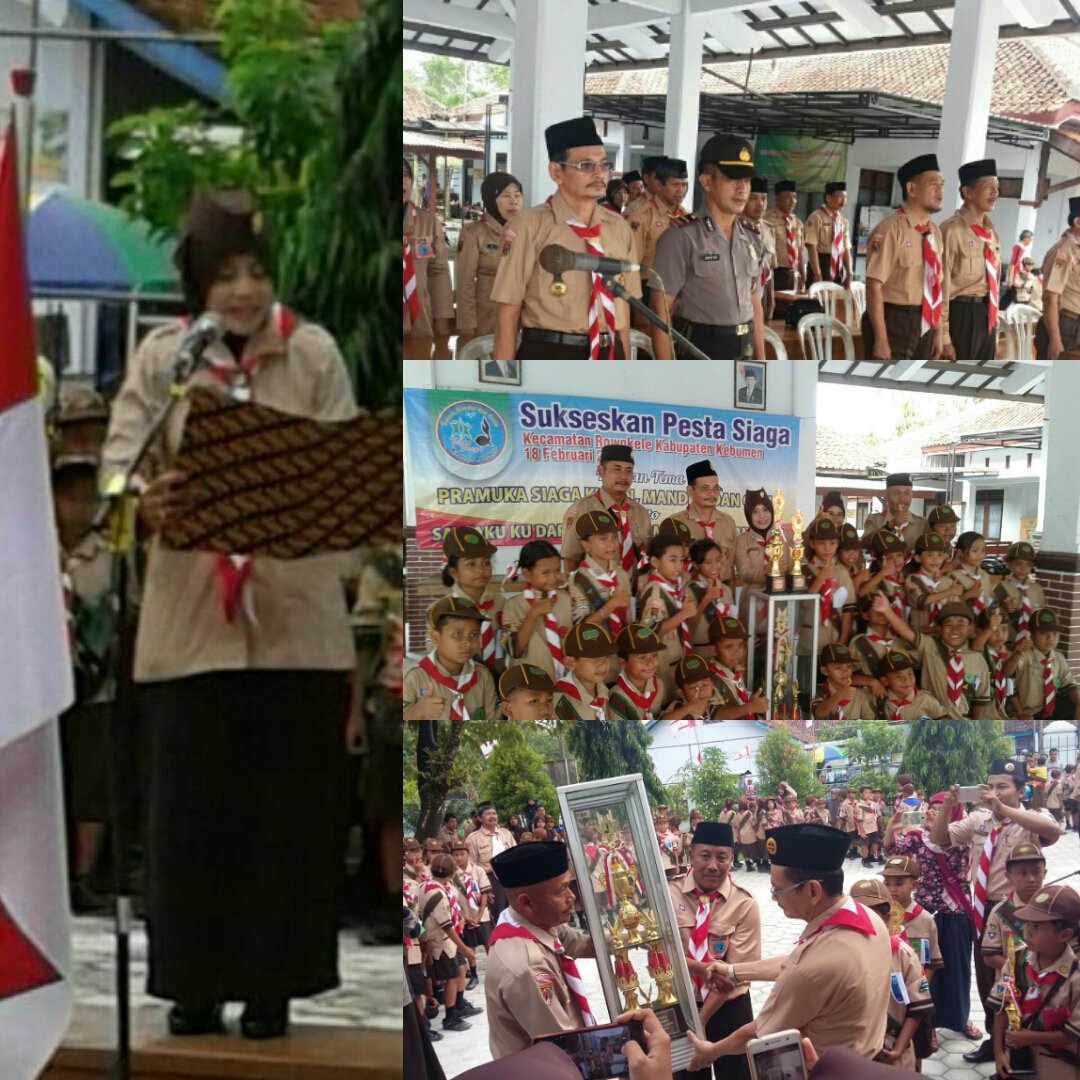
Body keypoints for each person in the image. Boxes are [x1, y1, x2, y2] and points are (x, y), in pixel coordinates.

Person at [102, 189, 357, 1039]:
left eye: (254, 273)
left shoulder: (312, 353)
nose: (243, 291)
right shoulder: (165, 357)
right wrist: (148, 499)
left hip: (295, 630)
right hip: (190, 633)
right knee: (192, 818)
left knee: (283, 819)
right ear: (197, 287)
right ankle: (194, 985)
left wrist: (299, 499)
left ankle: (271, 987)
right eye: (224, 276)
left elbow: (349, 482)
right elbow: (115, 468)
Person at [685, 823, 891, 1067]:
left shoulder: (812, 969)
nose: (773, 897)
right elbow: (795, 960)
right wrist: (732, 971)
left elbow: (760, 1033)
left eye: (778, 889)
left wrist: (712, 1051)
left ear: (813, 890)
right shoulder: (867, 917)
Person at [930, 759, 1061, 1065]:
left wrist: (1005, 811)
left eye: (1003, 786)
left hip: (1022, 912)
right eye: (992, 785)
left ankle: (1024, 1047)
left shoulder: (1032, 816)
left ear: (1020, 789)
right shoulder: (979, 820)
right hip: (984, 912)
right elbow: (939, 838)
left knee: (1025, 978)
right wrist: (948, 805)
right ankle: (996, 1042)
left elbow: (1052, 830)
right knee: (989, 979)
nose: (996, 792)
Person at [490, 116, 641, 361]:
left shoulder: (618, 228)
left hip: (608, 351)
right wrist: (504, 383)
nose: (599, 174)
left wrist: (623, 372)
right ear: (556, 172)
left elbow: (622, 307)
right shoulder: (529, 226)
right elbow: (508, 311)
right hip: (551, 353)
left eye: (604, 165)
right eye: (586, 166)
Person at [52, 449, 113, 913]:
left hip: (96, 682)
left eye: (85, 496)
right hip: (46, 681)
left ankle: (82, 874)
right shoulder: (32, 548)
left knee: (91, 780)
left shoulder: (107, 554)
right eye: (67, 496)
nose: (78, 506)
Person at [650, 134, 765, 361]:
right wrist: (667, 376)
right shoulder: (681, 237)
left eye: (747, 180)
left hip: (744, 348)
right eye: (733, 179)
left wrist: (761, 364)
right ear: (706, 182)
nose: (743, 189)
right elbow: (660, 312)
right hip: (699, 350)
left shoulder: (752, 238)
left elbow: (755, 305)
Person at [484, 841, 598, 1058]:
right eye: (561, 889)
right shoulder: (529, 967)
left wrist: (634, 935)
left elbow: (581, 944)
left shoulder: (533, 923)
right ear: (526, 902)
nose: (572, 897)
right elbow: (564, 1045)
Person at [671, 821, 761, 1080]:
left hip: (730, 1009)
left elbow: (737, 973)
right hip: (682, 1008)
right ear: (691, 853)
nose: (713, 865)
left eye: (722, 857)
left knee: (736, 1074)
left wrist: (702, 1017)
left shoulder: (744, 903)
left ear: (732, 858)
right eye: (705, 855)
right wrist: (698, 970)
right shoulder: (668, 893)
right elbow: (662, 954)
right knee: (687, 1075)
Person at [885, 791, 979, 1039]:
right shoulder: (920, 837)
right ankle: (928, 1024)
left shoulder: (961, 837)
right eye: (934, 807)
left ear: (955, 812)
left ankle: (961, 1018)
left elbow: (947, 845)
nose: (937, 812)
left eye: (944, 808)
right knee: (924, 969)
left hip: (956, 911)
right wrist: (893, 826)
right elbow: (892, 849)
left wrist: (936, 828)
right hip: (925, 912)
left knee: (957, 969)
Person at [988, 884, 1080, 1080]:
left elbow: (1073, 1033)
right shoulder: (1016, 961)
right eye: (1027, 924)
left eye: (1037, 926)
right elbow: (1001, 1008)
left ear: (1065, 935)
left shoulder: (1075, 975)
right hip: (1019, 1063)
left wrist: (1030, 1037)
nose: (1027, 932)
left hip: (1060, 1067)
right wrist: (998, 1053)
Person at [862, 154, 945, 361]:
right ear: (912, 189)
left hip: (925, 320)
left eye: (942, 184)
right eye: (933, 184)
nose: (940, 190)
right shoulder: (891, 229)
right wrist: (881, 339)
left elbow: (936, 287)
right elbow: (873, 286)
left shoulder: (934, 233)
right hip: (894, 320)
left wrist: (938, 331)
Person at [847, 878, 935, 1070]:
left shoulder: (903, 954)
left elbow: (917, 1008)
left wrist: (898, 1048)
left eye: (873, 914)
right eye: (858, 913)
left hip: (894, 1050)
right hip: (854, 1051)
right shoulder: (840, 952)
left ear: (887, 918)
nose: (865, 920)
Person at [939, 159, 1001, 362]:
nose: (995, 193)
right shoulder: (951, 231)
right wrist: (944, 336)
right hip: (962, 315)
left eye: (997, 187)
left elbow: (995, 283)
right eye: (989, 187)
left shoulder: (991, 233)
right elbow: (941, 287)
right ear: (968, 193)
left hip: (987, 313)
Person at [455, 171, 523, 348]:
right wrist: (467, 325)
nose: (514, 201)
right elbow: (465, 281)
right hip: (486, 318)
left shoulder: (525, 231)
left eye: (518, 195)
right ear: (490, 199)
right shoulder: (474, 233)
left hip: (520, 317)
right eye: (506, 195)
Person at [403, 597, 499, 722]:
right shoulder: (414, 678)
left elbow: (492, 722)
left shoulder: (484, 676)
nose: (467, 642)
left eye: (474, 634)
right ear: (436, 637)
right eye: (458, 634)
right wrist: (417, 711)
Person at [561, 444, 650, 576]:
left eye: (629, 470)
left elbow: (646, 554)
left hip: (634, 592)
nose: (624, 476)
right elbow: (571, 559)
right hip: (597, 591)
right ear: (601, 470)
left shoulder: (640, 512)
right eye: (617, 469)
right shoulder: (582, 509)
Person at [421, 853, 482, 1033]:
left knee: (461, 968)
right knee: (452, 977)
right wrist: (465, 948)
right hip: (442, 943)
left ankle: (459, 1004)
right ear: (451, 873)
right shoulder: (438, 894)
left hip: (448, 940)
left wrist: (462, 920)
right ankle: (450, 1017)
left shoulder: (429, 885)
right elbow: (446, 926)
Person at [661, 459, 739, 587]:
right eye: (705, 488)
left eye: (716, 488)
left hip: (722, 591)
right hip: (689, 592)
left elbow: (731, 569)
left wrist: (731, 599)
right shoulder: (675, 523)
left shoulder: (727, 522)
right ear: (690, 491)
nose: (712, 494)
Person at [403, 160, 453, 361]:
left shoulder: (428, 222)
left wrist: (442, 320)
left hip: (419, 323)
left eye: (405, 175)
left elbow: (438, 272)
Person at [502, 540, 572, 680]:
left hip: (567, 682)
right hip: (531, 683)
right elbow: (514, 650)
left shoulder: (567, 600)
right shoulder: (513, 606)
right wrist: (533, 614)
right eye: (545, 573)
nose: (553, 577)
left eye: (557, 570)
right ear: (527, 573)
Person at [441, 525, 503, 671]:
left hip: (499, 680)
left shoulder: (500, 603)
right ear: (454, 571)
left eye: (486, 562)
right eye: (471, 564)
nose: (480, 570)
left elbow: (507, 644)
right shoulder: (444, 610)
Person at [1003, 607, 1080, 722]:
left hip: (1051, 709)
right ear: (1032, 635)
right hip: (1029, 712)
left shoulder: (1058, 658)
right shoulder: (1024, 655)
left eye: (1055, 634)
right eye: (1044, 633)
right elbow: (1007, 673)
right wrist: (1018, 653)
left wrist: (1078, 702)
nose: (1050, 638)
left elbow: (1068, 684)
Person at [980, 842, 1046, 974]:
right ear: (1008, 877)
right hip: (1014, 987)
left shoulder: (1055, 908)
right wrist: (1022, 972)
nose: (1031, 879)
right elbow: (989, 955)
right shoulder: (1000, 912)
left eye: (1037, 872)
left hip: (1051, 986)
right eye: (1023, 873)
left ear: (1045, 873)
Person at [1036, 196, 1080, 359]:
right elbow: (1050, 298)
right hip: (1064, 327)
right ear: (1078, 222)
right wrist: (1055, 340)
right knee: (1059, 379)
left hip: (1074, 326)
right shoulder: (1064, 251)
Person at [553, 622, 616, 723]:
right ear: (570, 663)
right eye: (594, 657)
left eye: (606, 656)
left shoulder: (605, 692)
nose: (603, 664)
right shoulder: (559, 701)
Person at [904, 531, 964, 635]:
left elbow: (955, 610)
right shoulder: (912, 579)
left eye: (940, 555)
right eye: (930, 555)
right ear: (918, 558)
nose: (936, 559)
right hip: (919, 635)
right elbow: (920, 601)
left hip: (942, 634)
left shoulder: (948, 582)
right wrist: (950, 592)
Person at [466, 802, 517, 920]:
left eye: (494, 813)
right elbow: (471, 867)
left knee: (518, 911)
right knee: (500, 914)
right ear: (479, 818)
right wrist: (483, 889)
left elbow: (516, 855)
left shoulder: (506, 833)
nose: (492, 816)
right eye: (488, 814)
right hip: (490, 881)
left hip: (511, 878)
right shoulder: (473, 839)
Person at [608, 623, 667, 723]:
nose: (650, 663)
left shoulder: (659, 685)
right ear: (622, 662)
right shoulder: (617, 698)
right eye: (642, 657)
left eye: (654, 655)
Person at [994, 540, 1046, 643]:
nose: (1023, 568)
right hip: (1008, 641)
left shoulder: (1037, 589)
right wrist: (1004, 609)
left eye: (1028, 564)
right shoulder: (1000, 588)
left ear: (1032, 567)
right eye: (1018, 563)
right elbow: (991, 614)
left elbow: (1040, 615)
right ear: (1008, 563)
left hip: (1032, 641)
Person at [812, 643, 877, 724]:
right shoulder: (818, 690)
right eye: (838, 667)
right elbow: (818, 713)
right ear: (824, 671)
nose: (845, 671)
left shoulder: (860, 695)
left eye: (849, 666)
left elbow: (871, 723)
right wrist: (838, 696)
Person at [861, 472, 928, 549]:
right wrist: (890, 525)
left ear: (912, 495)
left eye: (907, 493)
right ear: (886, 495)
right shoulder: (875, 520)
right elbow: (864, 544)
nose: (902, 499)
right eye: (896, 493)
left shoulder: (922, 523)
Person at [741, 176, 776, 319]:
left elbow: (770, 267)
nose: (760, 204)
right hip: (742, 296)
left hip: (761, 293)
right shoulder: (736, 227)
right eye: (754, 198)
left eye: (764, 199)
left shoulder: (768, 229)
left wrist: (771, 299)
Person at [805, 182, 852, 286]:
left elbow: (846, 249)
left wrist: (849, 273)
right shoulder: (816, 217)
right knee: (817, 300)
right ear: (828, 198)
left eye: (846, 198)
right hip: (822, 263)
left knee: (834, 300)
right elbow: (811, 247)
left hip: (837, 265)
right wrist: (817, 273)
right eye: (840, 197)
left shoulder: (843, 221)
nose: (844, 201)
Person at [763, 179, 805, 292]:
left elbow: (799, 251)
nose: (792, 201)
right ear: (777, 199)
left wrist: (803, 274)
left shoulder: (797, 222)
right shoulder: (767, 220)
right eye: (788, 197)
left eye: (795, 197)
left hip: (793, 273)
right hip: (775, 273)